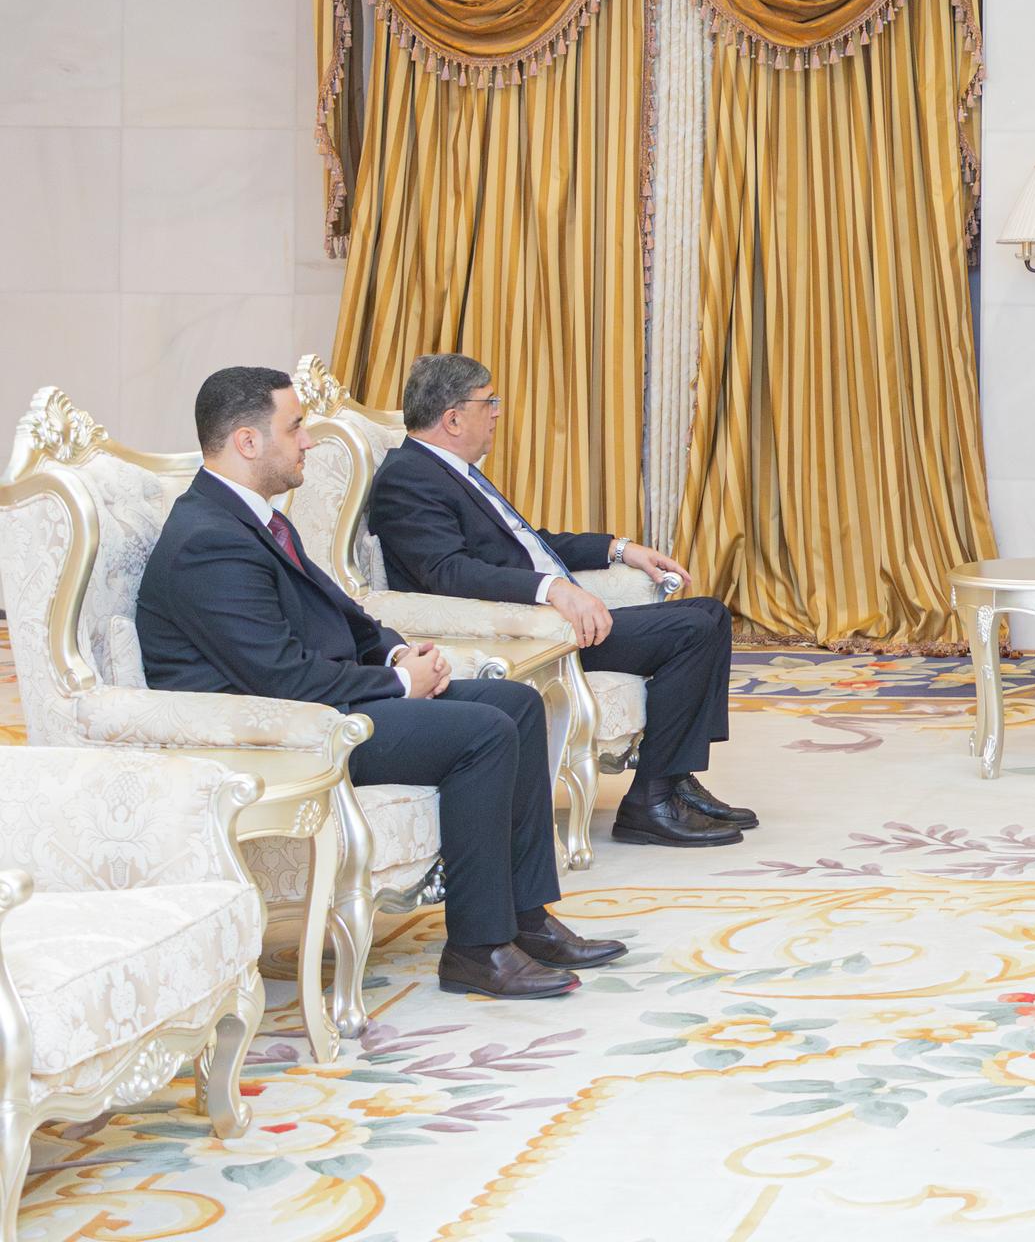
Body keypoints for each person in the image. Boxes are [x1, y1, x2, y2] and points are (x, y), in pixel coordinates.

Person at [139, 366, 623, 1001]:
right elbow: (278, 677)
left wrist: (396, 650)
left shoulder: (250, 518)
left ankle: (524, 916)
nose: (308, 441)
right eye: (295, 427)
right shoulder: (206, 540)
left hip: (328, 703)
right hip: (285, 736)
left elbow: (342, 612)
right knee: (483, 732)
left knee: (517, 704)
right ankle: (477, 949)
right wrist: (398, 684)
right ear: (247, 442)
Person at [365, 353, 750, 850]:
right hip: (535, 636)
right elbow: (448, 572)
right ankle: (651, 801)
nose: (497, 413)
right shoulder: (409, 477)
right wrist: (553, 590)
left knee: (708, 614)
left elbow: (527, 545)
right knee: (694, 629)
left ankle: (674, 780)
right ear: (453, 418)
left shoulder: (453, 471)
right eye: (489, 402)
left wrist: (619, 548)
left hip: (553, 620)